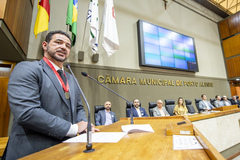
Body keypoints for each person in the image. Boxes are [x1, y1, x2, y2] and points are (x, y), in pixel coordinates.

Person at [3, 30, 98, 160]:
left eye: (67, 46)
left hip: (67, 150)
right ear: (44, 45)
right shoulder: (27, 69)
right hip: (32, 151)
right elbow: (27, 113)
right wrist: (74, 128)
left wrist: (85, 126)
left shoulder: (71, 78)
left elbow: (78, 107)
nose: (63, 47)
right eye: (58, 42)